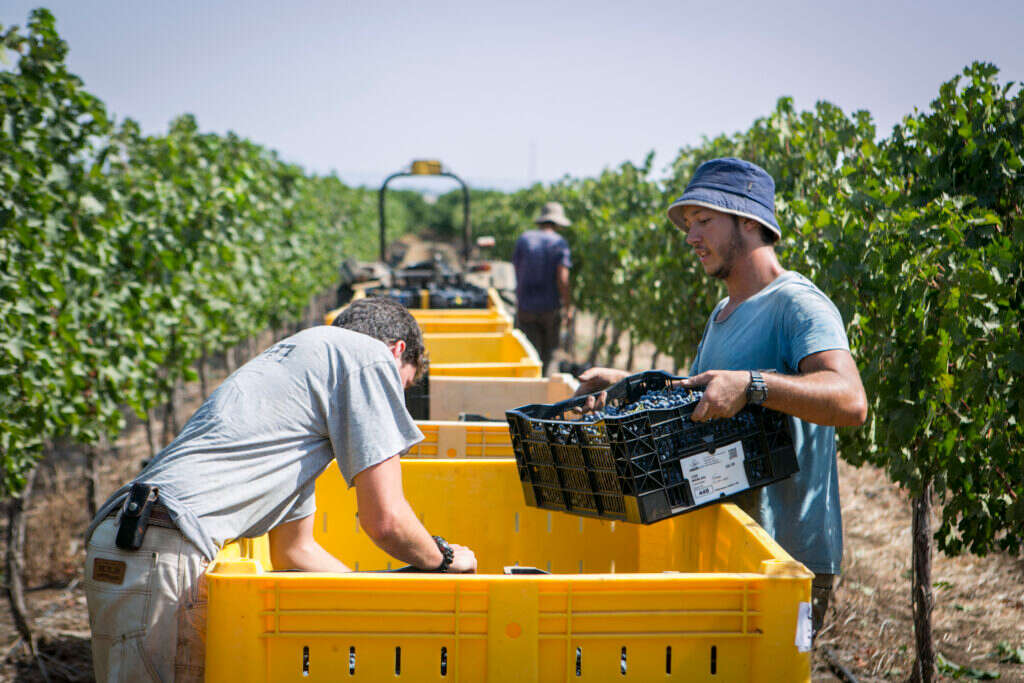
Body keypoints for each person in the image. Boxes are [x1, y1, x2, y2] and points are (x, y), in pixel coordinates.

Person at [83, 297, 477, 682]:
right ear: (397, 351)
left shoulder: (299, 375)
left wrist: (376, 607)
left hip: (129, 541)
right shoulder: (369, 357)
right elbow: (386, 520)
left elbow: (295, 551)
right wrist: (443, 560)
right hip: (165, 548)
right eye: (400, 386)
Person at [576, 158, 867, 638]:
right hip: (729, 547)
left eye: (704, 221)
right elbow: (708, 397)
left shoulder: (797, 304)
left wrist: (752, 384)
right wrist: (626, 383)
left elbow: (851, 399)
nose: (691, 237)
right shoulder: (723, 312)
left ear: (749, 221)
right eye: (689, 225)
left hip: (783, 559)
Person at [512, 201, 573, 373]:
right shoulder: (559, 243)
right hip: (550, 308)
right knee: (550, 356)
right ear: (557, 223)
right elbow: (563, 278)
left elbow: (516, 269)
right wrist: (567, 306)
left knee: (530, 355)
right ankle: (548, 386)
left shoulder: (524, 239)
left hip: (526, 308)